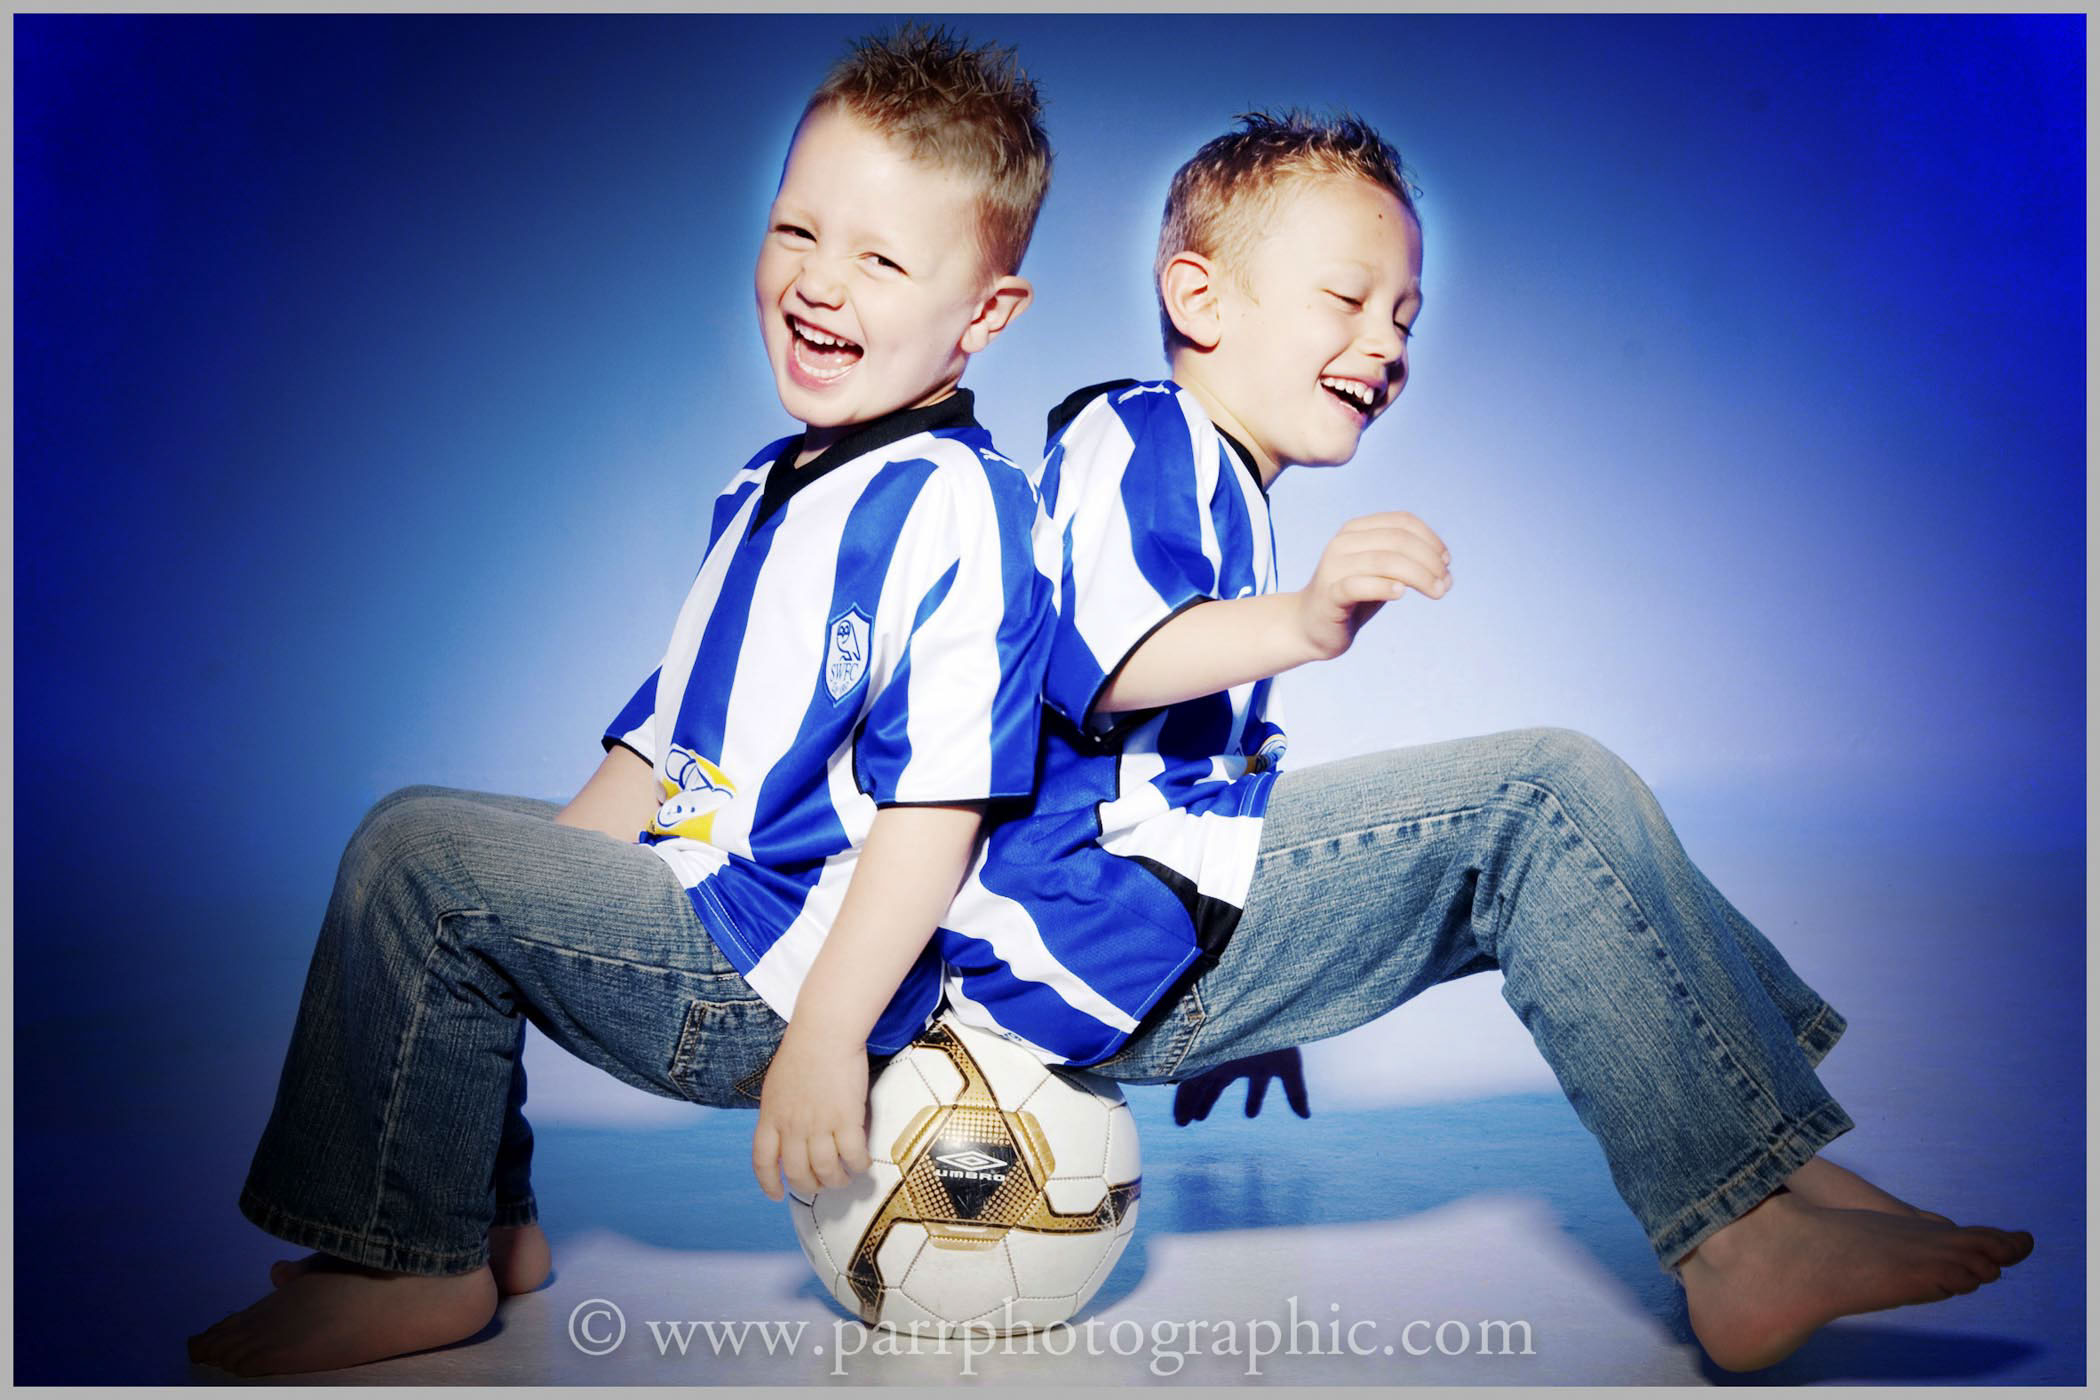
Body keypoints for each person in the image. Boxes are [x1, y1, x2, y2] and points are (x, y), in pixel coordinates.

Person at [939, 111, 2033, 1373]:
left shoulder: (1227, 483)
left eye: (1404, 315)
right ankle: (1739, 1235)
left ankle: (1771, 1161)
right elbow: (1104, 662)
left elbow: (1188, 773)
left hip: (1145, 924)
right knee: (1540, 795)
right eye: (1347, 297)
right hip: (1069, 922)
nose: (1383, 342)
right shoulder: (1137, 431)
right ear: (1199, 296)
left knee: (1538, 849)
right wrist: (1303, 621)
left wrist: (1256, 1004)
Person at [187, 26, 1056, 1377]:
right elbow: (666, 745)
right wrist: (532, 889)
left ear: (986, 313)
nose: (821, 284)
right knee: (451, 853)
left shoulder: (959, 507)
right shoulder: (769, 487)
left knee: (421, 863)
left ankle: (407, 1269)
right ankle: (477, 1223)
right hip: (692, 904)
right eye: (798, 231)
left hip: (773, 970)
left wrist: (828, 1034)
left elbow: (941, 800)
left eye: (883, 261)